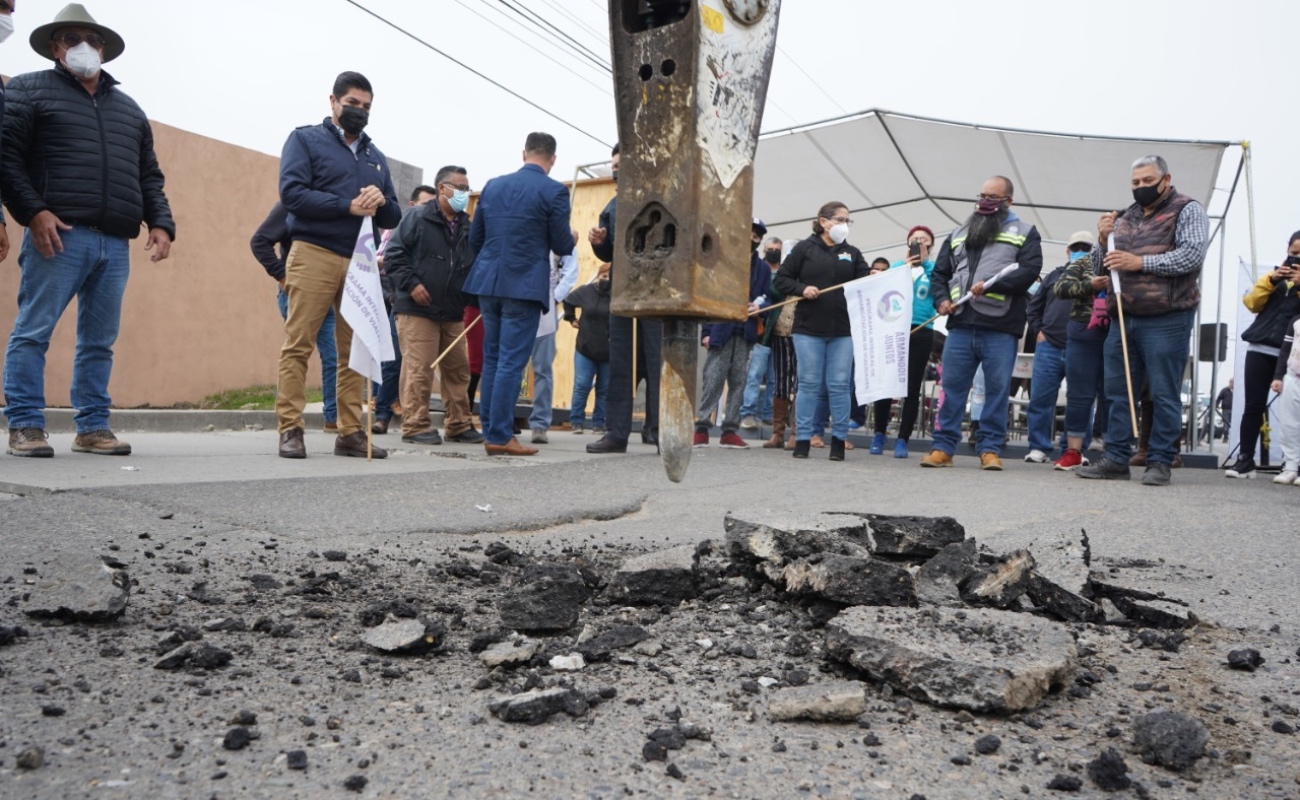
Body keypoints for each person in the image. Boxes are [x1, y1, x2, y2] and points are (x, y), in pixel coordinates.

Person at [3, 3, 176, 459]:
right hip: (57, 234)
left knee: (99, 341)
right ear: (56, 45)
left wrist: (160, 223)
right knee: (34, 330)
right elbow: (7, 159)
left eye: (94, 39)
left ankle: (93, 426)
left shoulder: (129, 109)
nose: (85, 46)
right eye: (74, 37)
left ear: (105, 49)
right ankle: (24, 424)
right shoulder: (26, 91)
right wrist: (33, 212)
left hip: (114, 242)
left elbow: (149, 176)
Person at [274, 71, 400, 459]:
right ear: (333, 101)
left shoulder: (375, 157)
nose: (359, 112)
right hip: (314, 251)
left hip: (360, 261)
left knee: (354, 350)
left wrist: (380, 200)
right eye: (352, 104)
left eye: (366, 107)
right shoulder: (304, 140)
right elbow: (292, 194)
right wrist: (346, 205)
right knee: (299, 344)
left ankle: (350, 432)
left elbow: (393, 215)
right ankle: (290, 428)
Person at [1077, 156, 1210, 486]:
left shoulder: (1187, 209)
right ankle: (1116, 458)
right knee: (1117, 393)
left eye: (1147, 180)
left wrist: (1140, 262)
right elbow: (1100, 267)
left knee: (1164, 392)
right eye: (1135, 182)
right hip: (1124, 316)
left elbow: (1192, 255)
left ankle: (1161, 460)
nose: (1140, 187)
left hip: (1168, 316)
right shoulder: (1124, 217)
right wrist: (1102, 238)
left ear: (1166, 179)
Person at [463, 132, 575, 456]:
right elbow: (561, 245)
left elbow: (476, 237)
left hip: (488, 282)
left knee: (494, 359)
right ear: (553, 159)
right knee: (512, 361)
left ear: (523, 153)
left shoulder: (494, 185)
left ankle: (492, 431)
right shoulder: (555, 191)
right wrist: (572, 236)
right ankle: (499, 436)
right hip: (523, 285)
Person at [921, 176, 1043, 470]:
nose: (985, 202)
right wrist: (941, 301)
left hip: (1000, 328)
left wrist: (992, 286)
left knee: (997, 389)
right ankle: (943, 448)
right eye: (982, 196)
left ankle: (989, 448)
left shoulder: (1025, 232)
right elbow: (940, 274)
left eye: (993, 197)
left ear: (1008, 202)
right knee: (951, 388)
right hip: (961, 325)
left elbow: (1029, 271)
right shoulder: (959, 232)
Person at [384, 167, 485, 447]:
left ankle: (459, 424)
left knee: (458, 370)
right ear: (442, 188)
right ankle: (415, 425)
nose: (464, 193)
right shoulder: (416, 217)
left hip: (452, 311)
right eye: (459, 187)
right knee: (420, 368)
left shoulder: (468, 227)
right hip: (417, 310)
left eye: (467, 187)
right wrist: (412, 283)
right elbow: (394, 254)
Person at [773, 202, 870, 461]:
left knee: (839, 385)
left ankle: (838, 440)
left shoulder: (852, 252)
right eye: (839, 219)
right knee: (808, 384)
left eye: (847, 221)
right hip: (808, 329)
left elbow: (867, 280)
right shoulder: (804, 249)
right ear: (823, 221)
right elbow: (781, 278)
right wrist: (802, 288)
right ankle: (802, 439)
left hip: (843, 330)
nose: (844, 225)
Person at [588, 142, 663, 454]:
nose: (616, 170)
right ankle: (616, 432)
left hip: (658, 295)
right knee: (621, 364)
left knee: (658, 363)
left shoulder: (661, 198)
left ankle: (660, 431)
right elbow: (608, 252)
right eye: (613, 165)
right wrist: (599, 243)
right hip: (622, 293)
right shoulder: (614, 205)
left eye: (621, 165)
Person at [251, 202, 338, 433]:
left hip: (331, 296)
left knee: (335, 357)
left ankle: (333, 417)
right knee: (298, 352)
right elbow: (259, 241)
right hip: (298, 292)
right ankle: (290, 423)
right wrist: (283, 277)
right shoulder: (292, 204)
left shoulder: (339, 205)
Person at [1224, 232, 1300, 478]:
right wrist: (1272, 279)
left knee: (1293, 411)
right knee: (1253, 405)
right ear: (1287, 249)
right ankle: (1245, 459)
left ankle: (1292, 464)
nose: (1296, 258)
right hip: (1260, 347)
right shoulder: (1272, 278)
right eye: (1294, 252)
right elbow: (1251, 303)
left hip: (1291, 356)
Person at [694, 219, 773, 449]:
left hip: (746, 331)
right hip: (721, 328)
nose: (752, 237)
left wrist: (760, 307)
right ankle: (701, 428)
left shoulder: (763, 268)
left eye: (757, 235)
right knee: (713, 379)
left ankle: (730, 431)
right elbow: (708, 298)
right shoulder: (721, 262)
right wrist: (706, 332)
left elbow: (768, 297)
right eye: (749, 232)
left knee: (739, 382)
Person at [371, 186, 438, 435]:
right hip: (401, 300)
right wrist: (410, 280)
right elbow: (381, 260)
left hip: (432, 306)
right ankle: (383, 415)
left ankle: (414, 415)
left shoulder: (439, 230)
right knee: (393, 358)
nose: (431, 209)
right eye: (425, 204)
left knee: (420, 364)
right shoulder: (399, 228)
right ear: (412, 205)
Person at [1023, 232, 1095, 464]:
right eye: (1076, 247)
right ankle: (1039, 447)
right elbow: (1034, 307)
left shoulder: (1098, 277)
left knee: (1081, 400)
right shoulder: (1053, 276)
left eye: (1085, 247)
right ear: (1067, 250)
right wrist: (1038, 332)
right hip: (1049, 345)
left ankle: (1074, 449)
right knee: (1040, 398)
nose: (1080, 251)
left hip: (1083, 346)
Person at [869, 225, 938, 459]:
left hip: (921, 329)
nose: (919, 242)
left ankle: (903, 438)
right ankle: (879, 433)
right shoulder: (898, 267)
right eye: (914, 239)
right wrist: (905, 268)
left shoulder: (935, 270)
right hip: (895, 327)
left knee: (911, 387)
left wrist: (925, 265)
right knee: (887, 381)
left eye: (924, 240)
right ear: (907, 243)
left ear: (930, 245)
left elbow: (939, 292)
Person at [1052, 231, 1111, 470]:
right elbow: (1060, 287)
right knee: (1078, 394)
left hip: (1118, 331)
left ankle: (1114, 451)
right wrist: (1090, 285)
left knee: (1113, 394)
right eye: (1105, 234)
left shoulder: (1128, 260)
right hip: (1083, 331)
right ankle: (1073, 450)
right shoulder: (1083, 262)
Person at [527, 236, 579, 444]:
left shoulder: (560, 233)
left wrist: (554, 296)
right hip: (519, 302)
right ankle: (505, 419)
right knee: (511, 366)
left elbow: (571, 270)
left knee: (543, 369)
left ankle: (539, 424)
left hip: (545, 310)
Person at [739, 236, 785, 430]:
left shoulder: (786, 274)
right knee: (755, 374)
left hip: (781, 331)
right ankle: (748, 412)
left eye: (777, 249)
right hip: (760, 331)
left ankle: (767, 413)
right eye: (770, 248)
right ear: (765, 250)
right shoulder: (757, 270)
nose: (773, 251)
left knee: (775, 378)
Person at [564, 262, 612, 435]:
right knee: (582, 385)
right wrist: (571, 318)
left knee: (604, 389)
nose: (606, 280)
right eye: (604, 276)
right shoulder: (586, 291)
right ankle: (576, 421)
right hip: (585, 348)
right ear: (599, 276)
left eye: (610, 277)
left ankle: (598, 423)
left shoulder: (617, 296)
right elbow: (568, 300)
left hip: (608, 351)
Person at [1269, 312, 1300, 485]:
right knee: (1288, 424)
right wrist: (1278, 376)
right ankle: (1290, 467)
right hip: (1293, 376)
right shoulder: (1296, 320)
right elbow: (1285, 349)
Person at [1215, 377, 1234, 442]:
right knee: (1226, 425)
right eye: (1231, 382)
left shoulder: (1237, 390)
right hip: (1226, 410)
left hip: (1234, 410)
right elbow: (1219, 398)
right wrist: (1216, 405)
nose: (1232, 383)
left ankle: (1233, 439)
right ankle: (1225, 437)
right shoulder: (1224, 390)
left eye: (1233, 382)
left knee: (1234, 424)